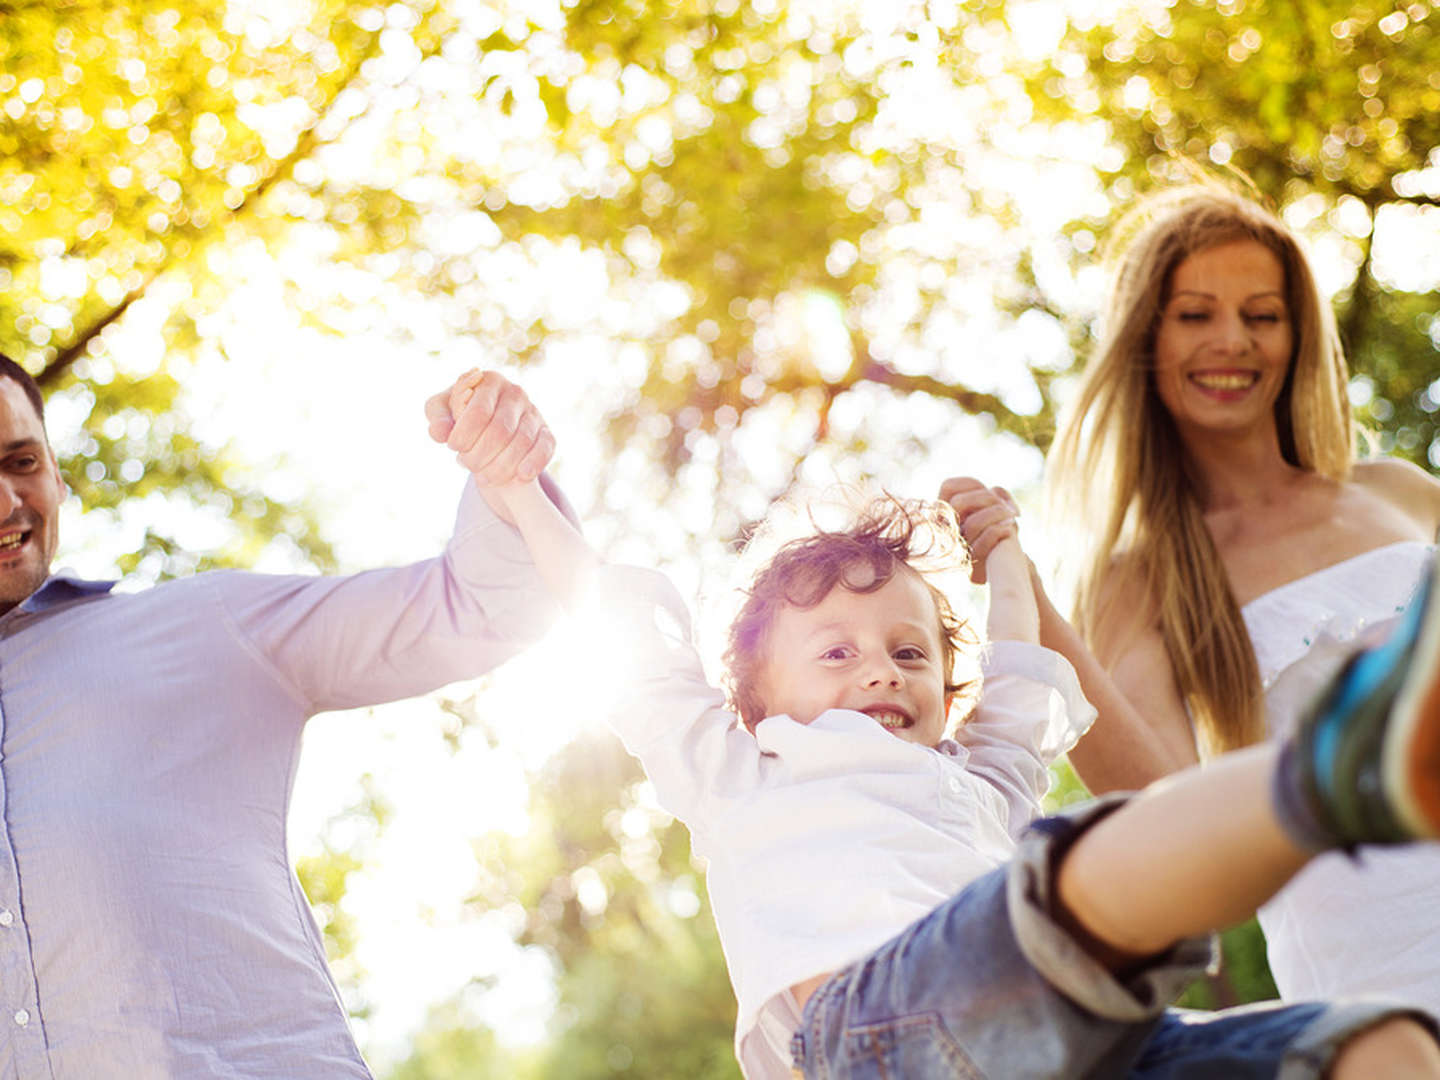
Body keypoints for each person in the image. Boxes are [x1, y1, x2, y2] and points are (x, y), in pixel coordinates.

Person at [452, 372, 1440, 1079]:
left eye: (911, 652)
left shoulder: (979, 774)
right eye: (835, 652)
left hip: (1082, 1045)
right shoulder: (735, 769)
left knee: (1375, 1047)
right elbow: (614, 619)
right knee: (1074, 879)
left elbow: (1017, 657)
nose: (882, 665)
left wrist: (1003, 549)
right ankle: (1339, 775)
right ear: (752, 701)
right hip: (881, 1035)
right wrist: (512, 490)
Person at [0, 356, 565, 1078]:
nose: (6, 502)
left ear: (58, 473)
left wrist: (503, 464)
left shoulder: (204, 627)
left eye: (21, 461)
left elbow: (483, 607)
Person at [1045, 182, 1440, 1014]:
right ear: (1146, 337)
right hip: (1385, 978)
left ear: (1297, 337)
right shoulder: (1134, 584)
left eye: (1262, 314)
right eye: (1196, 314)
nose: (1232, 340)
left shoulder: (1402, 496)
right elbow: (1164, 828)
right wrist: (1033, 615)